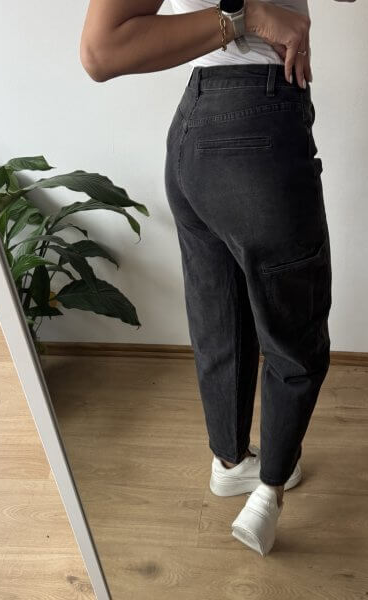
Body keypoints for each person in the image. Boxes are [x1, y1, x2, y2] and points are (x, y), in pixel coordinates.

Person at [80, 0, 346, 556]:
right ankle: (270, 491)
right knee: (294, 334)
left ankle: (231, 462)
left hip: (196, 128)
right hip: (260, 126)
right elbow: (101, 51)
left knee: (219, 318)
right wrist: (248, 17)